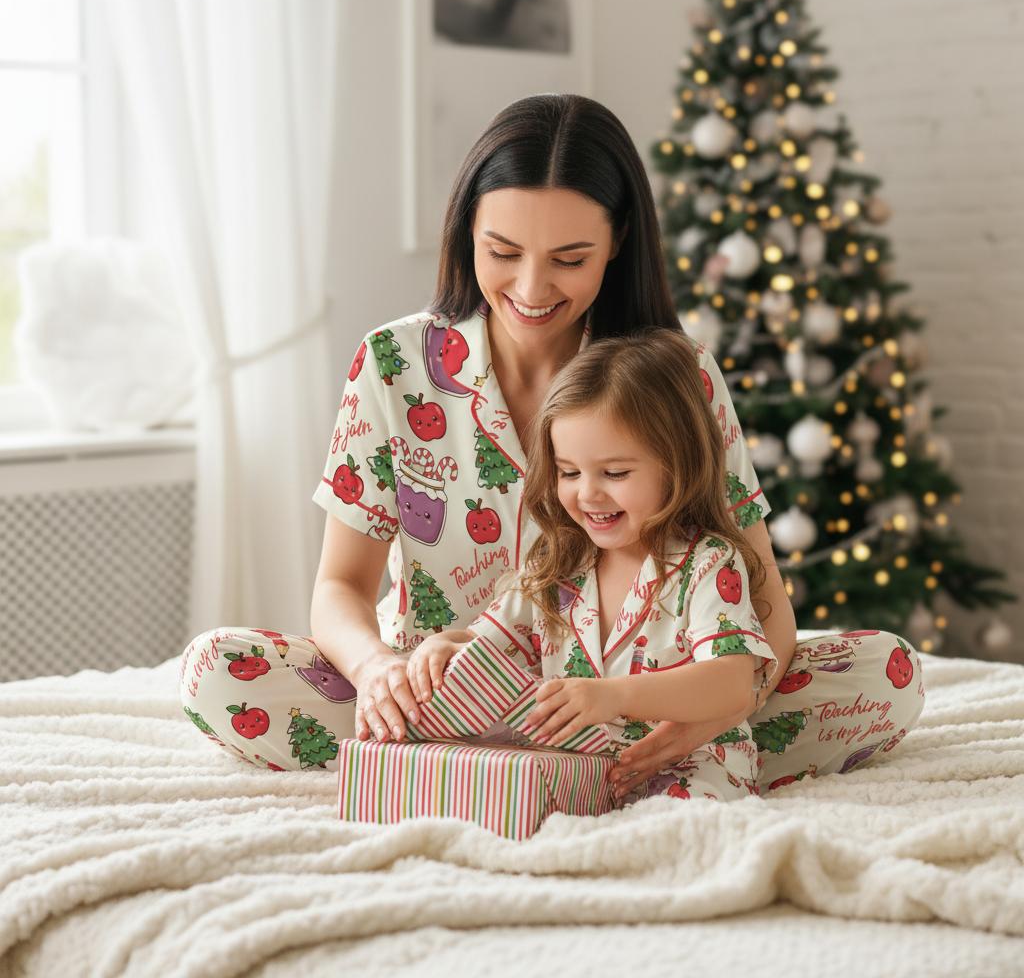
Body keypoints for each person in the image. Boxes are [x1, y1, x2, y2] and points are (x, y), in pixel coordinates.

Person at [179, 93, 925, 797]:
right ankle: (493, 760)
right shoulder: (393, 365)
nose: (532, 287)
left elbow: (763, 600)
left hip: (636, 694)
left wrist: (703, 716)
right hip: (437, 693)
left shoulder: (677, 376)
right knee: (218, 670)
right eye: (501, 250)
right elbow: (340, 586)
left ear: (617, 242)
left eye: (570, 259)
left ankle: (564, 768)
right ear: (466, 229)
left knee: (887, 675)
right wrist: (377, 670)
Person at [407, 330, 779, 803]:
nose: (588, 493)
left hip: (693, 765)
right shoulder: (558, 562)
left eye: (615, 473)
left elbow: (730, 683)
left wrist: (614, 696)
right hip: (579, 770)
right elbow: (490, 643)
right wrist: (444, 646)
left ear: (677, 465)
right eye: (569, 472)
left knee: (671, 833)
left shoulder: (708, 564)